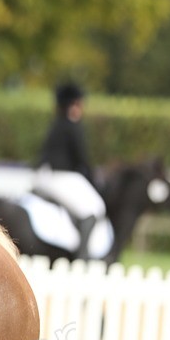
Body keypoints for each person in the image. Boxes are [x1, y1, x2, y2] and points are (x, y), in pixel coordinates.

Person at [34, 82, 107, 257]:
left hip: (46, 175)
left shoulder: (55, 124)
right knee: (94, 209)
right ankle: (83, 256)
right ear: (74, 104)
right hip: (63, 177)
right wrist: (93, 179)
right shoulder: (73, 126)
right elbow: (81, 158)